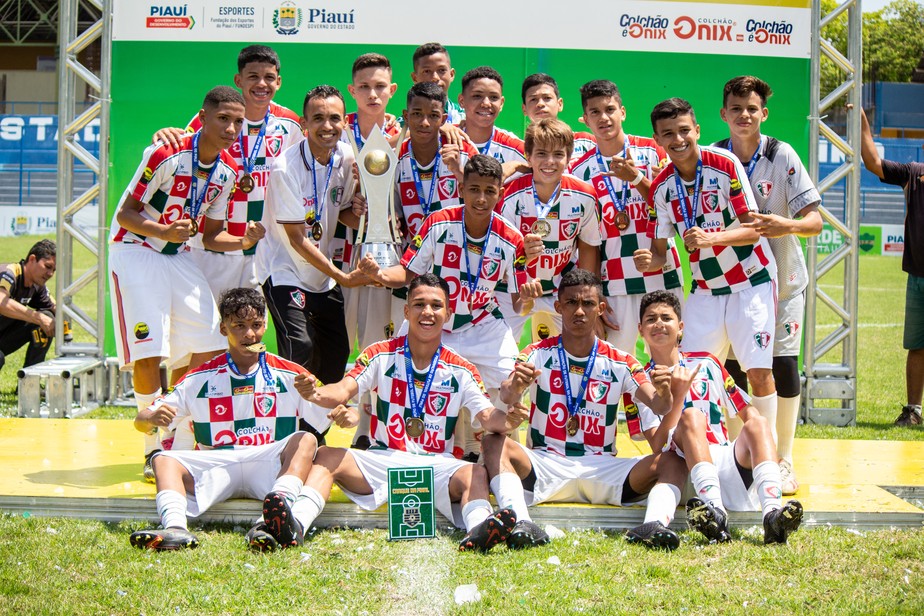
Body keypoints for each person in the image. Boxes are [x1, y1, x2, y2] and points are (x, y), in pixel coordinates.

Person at [293, 274, 520, 552]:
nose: (427, 312)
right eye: (419, 304)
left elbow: (487, 417)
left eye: (436, 306)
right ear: (406, 310)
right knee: (328, 455)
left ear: (448, 314)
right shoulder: (379, 353)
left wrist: (509, 419)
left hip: (436, 466)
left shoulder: (462, 368)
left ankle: (479, 530)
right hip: (383, 460)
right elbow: (342, 390)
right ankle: (295, 523)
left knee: (475, 473)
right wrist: (314, 393)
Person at [484, 269, 692, 550]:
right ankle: (520, 522)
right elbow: (508, 393)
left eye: (588, 304)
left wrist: (666, 390)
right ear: (558, 307)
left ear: (601, 308)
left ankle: (654, 525)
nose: (579, 311)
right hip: (546, 462)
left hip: (603, 467)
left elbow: (660, 404)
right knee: (494, 441)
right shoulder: (536, 352)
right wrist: (514, 387)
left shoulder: (622, 361)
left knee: (672, 461)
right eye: (571, 303)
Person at [128, 287, 346, 552]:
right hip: (218, 464)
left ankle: (271, 522)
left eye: (255, 325)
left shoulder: (290, 373)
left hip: (268, 464)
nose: (249, 334)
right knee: (162, 459)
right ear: (223, 329)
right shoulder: (199, 377)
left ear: (265, 325)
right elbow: (141, 420)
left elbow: (337, 408)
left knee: (306, 439)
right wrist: (150, 417)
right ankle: (175, 528)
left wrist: (342, 412)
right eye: (239, 326)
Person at [359, 154, 542, 459]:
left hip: (481, 321)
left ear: (500, 192)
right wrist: (378, 273)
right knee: (390, 368)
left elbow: (517, 303)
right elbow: (407, 271)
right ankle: (374, 439)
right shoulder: (438, 222)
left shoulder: (513, 239)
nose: (481, 198)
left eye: (489, 191)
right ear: (461, 188)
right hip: (433, 320)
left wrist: (528, 296)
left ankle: (510, 452)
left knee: (513, 377)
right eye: (474, 189)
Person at [109, 86, 249, 482]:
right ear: (202, 117)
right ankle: (152, 445)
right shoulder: (164, 153)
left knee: (207, 343)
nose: (231, 128)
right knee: (149, 348)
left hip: (178, 254)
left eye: (238, 122)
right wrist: (164, 230)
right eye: (223, 119)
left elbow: (211, 236)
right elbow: (126, 215)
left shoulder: (227, 171)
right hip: (135, 249)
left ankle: (177, 432)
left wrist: (245, 240)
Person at [641, 97, 779, 447]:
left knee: (759, 373)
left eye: (684, 130)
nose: (678, 139)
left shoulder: (724, 164)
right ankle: (705, 453)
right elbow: (660, 252)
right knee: (694, 374)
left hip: (752, 280)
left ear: (697, 130)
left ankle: (770, 456)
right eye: (668, 133)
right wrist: (651, 261)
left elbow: (753, 229)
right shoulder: (661, 187)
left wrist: (711, 238)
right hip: (705, 288)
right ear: (658, 139)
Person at [713, 76, 822, 493]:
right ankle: (742, 458)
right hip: (732, 282)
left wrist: (783, 225)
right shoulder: (715, 158)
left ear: (764, 114)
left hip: (783, 283)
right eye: (736, 108)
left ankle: (784, 459)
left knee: (782, 365)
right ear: (723, 114)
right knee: (732, 369)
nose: (744, 115)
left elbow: (814, 222)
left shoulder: (782, 155)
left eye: (752, 108)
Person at [626, 290, 804, 544]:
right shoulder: (639, 382)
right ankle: (714, 512)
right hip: (680, 470)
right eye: (651, 319)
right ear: (640, 329)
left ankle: (773, 517)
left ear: (680, 327)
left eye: (666, 317)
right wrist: (678, 397)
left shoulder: (707, 363)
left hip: (723, 460)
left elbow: (746, 411)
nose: (659, 324)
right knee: (691, 417)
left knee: (758, 423)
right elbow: (657, 445)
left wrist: (772, 456)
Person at [152, 45, 301, 300]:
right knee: (210, 330)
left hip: (263, 248)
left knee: (251, 330)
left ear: (279, 82)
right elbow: (183, 147)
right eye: (253, 76)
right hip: (212, 247)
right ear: (238, 80)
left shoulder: (290, 123)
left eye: (269, 77)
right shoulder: (218, 117)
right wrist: (165, 133)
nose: (261, 84)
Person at [259, 85, 369, 392]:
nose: (327, 126)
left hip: (321, 276)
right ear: (304, 124)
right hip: (285, 270)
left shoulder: (347, 158)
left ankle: (314, 433)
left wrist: (358, 209)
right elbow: (296, 238)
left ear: (344, 123)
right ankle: (287, 428)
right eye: (318, 118)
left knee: (336, 357)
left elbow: (341, 213)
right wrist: (341, 276)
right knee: (300, 347)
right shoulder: (285, 167)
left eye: (334, 118)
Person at [571, 80, 683, 355]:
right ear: (585, 119)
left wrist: (637, 178)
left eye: (609, 109)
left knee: (669, 360)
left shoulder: (654, 152)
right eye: (594, 112)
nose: (603, 117)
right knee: (615, 367)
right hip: (615, 284)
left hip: (662, 274)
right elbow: (587, 242)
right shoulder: (579, 171)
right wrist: (592, 295)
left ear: (623, 111)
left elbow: (675, 210)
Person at [337, 52, 403, 449]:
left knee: (380, 344)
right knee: (342, 343)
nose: (373, 94)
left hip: (387, 256)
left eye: (380, 87)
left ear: (392, 90)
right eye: (364, 87)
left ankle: (368, 431)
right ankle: (320, 428)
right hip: (339, 255)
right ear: (352, 91)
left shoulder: (407, 131)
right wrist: (350, 212)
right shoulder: (333, 129)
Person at [496, 118, 601, 341]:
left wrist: (588, 294)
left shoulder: (585, 195)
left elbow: (589, 247)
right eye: (542, 154)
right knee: (500, 360)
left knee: (580, 352)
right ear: (529, 156)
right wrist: (520, 251)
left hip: (562, 287)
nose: (550, 162)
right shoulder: (509, 195)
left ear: (569, 158)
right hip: (513, 288)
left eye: (558, 155)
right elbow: (499, 251)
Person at [390, 82, 479, 330]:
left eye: (433, 116)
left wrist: (459, 172)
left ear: (445, 118)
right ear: (406, 116)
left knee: (454, 335)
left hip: (455, 261)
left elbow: (484, 198)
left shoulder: (462, 149)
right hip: (411, 262)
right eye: (417, 114)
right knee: (407, 337)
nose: (425, 123)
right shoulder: (394, 154)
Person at [859, 105, 924, 426]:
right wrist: (861, 120)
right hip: (918, 277)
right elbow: (872, 162)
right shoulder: (914, 172)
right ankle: (913, 411)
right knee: (917, 345)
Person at [0, 239, 57, 372]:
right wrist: (38, 317)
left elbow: (56, 308)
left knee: (47, 318)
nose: (50, 274)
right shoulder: (9, 273)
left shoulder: (37, 285)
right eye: (48, 267)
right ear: (32, 259)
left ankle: (31, 382)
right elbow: (1, 303)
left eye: (54, 270)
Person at [457, 66, 527, 165]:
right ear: (462, 100)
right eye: (477, 96)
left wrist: (515, 166)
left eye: (493, 97)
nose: (486, 103)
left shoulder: (514, 147)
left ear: (501, 103)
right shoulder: (443, 139)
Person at [521, 73, 596, 162]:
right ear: (524, 109)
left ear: (560, 104)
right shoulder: (519, 150)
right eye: (533, 99)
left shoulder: (586, 142)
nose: (540, 104)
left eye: (547, 98)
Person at [411, 42, 464, 124]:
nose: (435, 77)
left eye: (441, 70)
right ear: (415, 78)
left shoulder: (465, 118)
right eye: (427, 71)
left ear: (451, 74)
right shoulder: (405, 123)